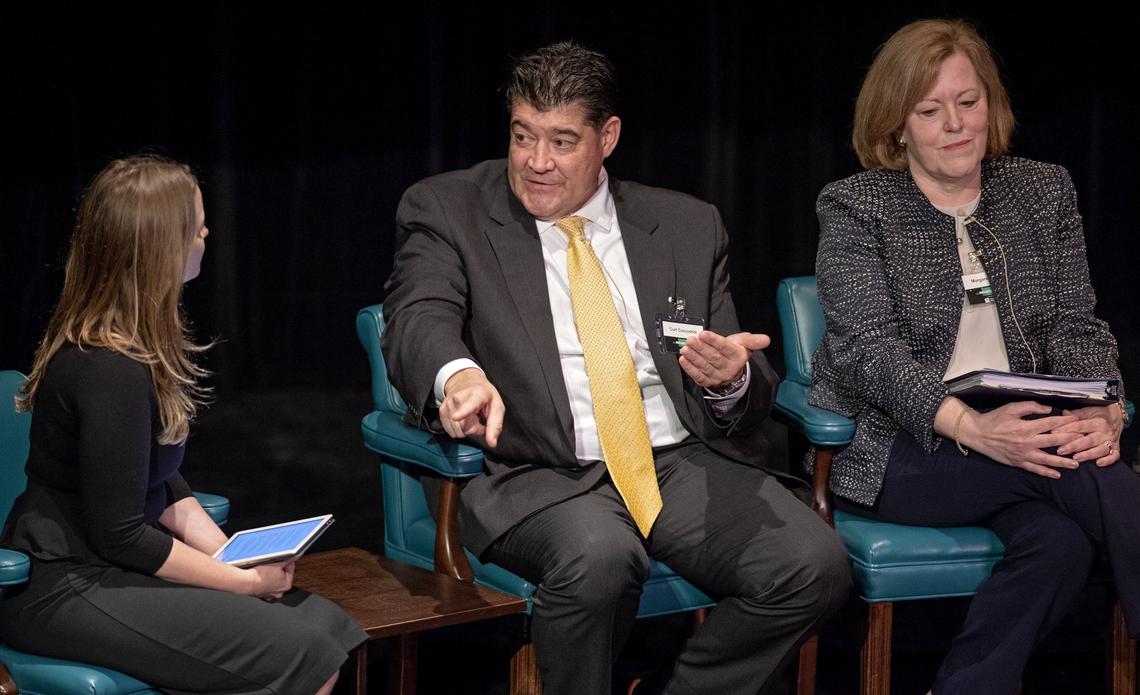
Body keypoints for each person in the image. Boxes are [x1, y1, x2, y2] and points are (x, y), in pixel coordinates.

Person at [382, 41, 849, 695]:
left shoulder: (686, 223)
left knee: (813, 563)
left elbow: (740, 378)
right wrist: (456, 374)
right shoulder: (449, 209)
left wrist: (729, 380)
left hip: (674, 460)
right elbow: (416, 315)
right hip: (538, 471)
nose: (536, 162)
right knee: (599, 558)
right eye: (523, 136)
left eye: (561, 141)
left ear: (608, 137)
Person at [810, 19, 1140, 695]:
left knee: (1061, 544)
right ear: (897, 125)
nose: (954, 124)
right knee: (1081, 475)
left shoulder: (1041, 190)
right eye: (929, 111)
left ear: (991, 103)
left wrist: (1102, 407)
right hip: (902, 447)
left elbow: (1079, 325)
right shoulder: (855, 205)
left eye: (968, 102)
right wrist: (971, 425)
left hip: (1022, 433)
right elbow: (871, 353)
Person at [0, 155, 365, 695]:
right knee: (303, 650)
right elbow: (120, 534)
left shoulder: (140, 344)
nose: (206, 232)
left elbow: (162, 482)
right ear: (159, 248)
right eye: (196, 224)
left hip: (108, 569)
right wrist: (238, 583)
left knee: (323, 622)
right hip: (67, 585)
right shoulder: (108, 367)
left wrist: (230, 555)